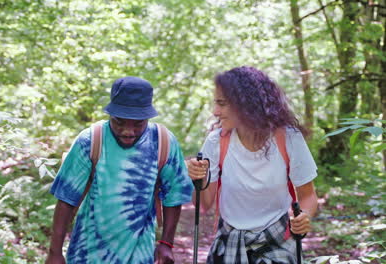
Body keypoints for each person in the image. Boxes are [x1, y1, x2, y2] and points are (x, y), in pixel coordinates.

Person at [46, 76, 193, 264]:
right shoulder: (91, 140)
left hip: (140, 252)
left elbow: (174, 195)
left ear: (147, 117)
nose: (128, 131)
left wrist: (166, 243)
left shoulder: (163, 142)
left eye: (138, 124)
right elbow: (66, 198)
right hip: (88, 252)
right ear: (110, 115)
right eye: (120, 122)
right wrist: (54, 253)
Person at [187, 66, 318, 263]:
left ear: (245, 105)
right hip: (229, 240)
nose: (215, 112)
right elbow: (202, 204)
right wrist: (197, 178)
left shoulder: (288, 139)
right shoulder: (216, 142)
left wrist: (304, 217)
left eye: (222, 104)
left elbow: (308, 196)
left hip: (277, 241)